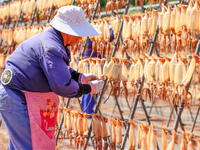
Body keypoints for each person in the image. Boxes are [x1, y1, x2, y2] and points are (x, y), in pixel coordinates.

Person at [0, 6, 104, 150]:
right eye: (79, 33)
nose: (81, 39)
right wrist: (90, 88)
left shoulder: (52, 41)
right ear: (68, 32)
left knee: (22, 146)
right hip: (16, 98)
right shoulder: (51, 47)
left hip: (16, 96)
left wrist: (81, 77)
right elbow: (62, 85)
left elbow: (55, 70)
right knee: (30, 146)